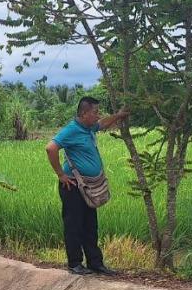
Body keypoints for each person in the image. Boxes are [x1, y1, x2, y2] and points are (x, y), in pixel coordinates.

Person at [46, 97, 130, 276]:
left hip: (89, 187)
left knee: (90, 226)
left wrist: (119, 116)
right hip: (73, 186)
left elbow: (102, 123)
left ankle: (95, 263)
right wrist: (61, 175)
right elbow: (51, 148)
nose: (97, 115)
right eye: (95, 112)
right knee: (74, 225)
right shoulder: (71, 130)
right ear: (84, 114)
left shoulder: (89, 127)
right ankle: (75, 263)